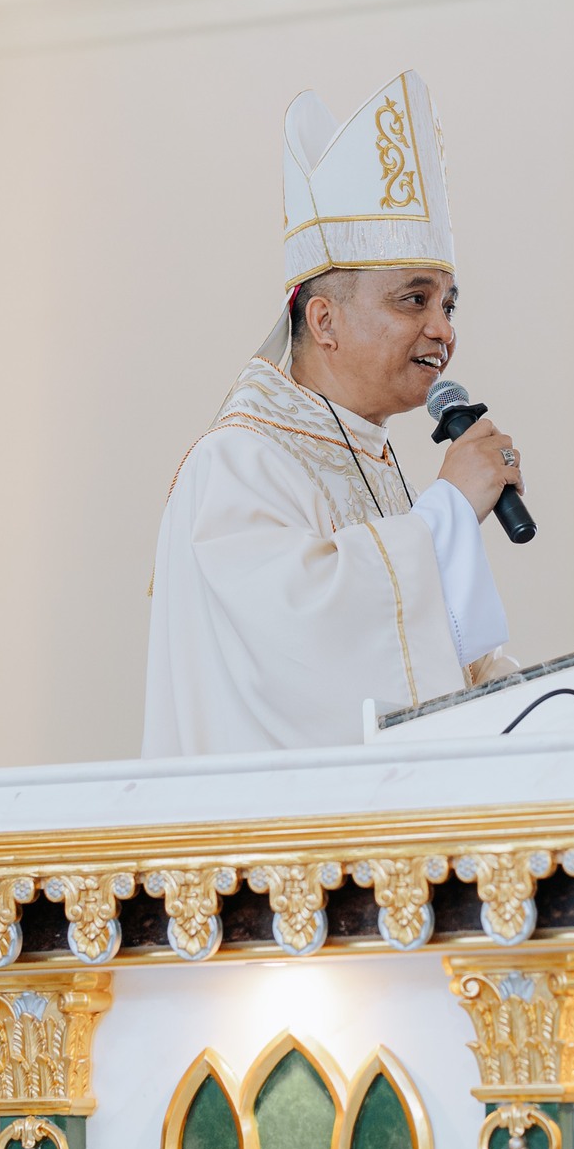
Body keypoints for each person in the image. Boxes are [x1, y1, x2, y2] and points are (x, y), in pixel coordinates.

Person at [143, 69, 522, 756]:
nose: (443, 328)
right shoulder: (236, 463)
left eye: (449, 303)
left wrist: (531, 703)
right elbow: (303, 659)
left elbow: (433, 657)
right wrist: (446, 512)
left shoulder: (368, 457)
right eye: (414, 299)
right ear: (324, 320)